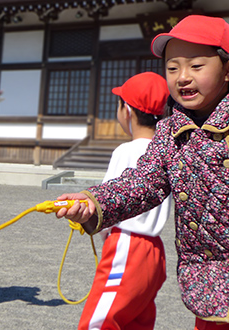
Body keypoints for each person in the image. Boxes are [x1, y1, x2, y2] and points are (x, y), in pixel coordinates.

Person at [57, 15, 229, 330]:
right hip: (206, 270)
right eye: (172, 67)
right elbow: (142, 183)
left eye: (196, 66)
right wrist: (93, 202)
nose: (182, 77)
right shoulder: (168, 132)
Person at [75, 72, 171, 330]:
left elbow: (108, 199)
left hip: (127, 244)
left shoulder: (126, 150)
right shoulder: (165, 151)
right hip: (154, 249)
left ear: (126, 110)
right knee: (137, 320)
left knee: (100, 321)